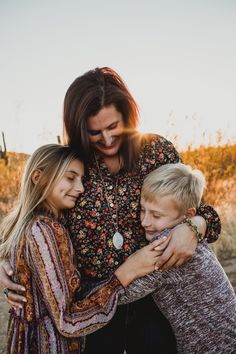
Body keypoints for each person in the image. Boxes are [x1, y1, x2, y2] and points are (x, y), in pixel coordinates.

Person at [0, 67, 221, 354]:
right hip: (92, 304)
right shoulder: (73, 164)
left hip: (153, 297)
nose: (106, 139)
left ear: (128, 117)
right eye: (94, 132)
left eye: (113, 126)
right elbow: (34, 218)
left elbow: (197, 208)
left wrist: (195, 227)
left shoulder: (157, 151)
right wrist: (9, 265)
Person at [0, 144, 166, 354]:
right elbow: (67, 320)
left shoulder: (28, 224)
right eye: (70, 178)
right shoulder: (46, 230)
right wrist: (127, 272)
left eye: (81, 179)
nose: (80, 188)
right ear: (38, 177)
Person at [119, 162, 236, 353]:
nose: (144, 221)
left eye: (156, 215)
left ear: (187, 215)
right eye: (142, 210)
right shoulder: (193, 237)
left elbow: (120, 295)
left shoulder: (168, 248)